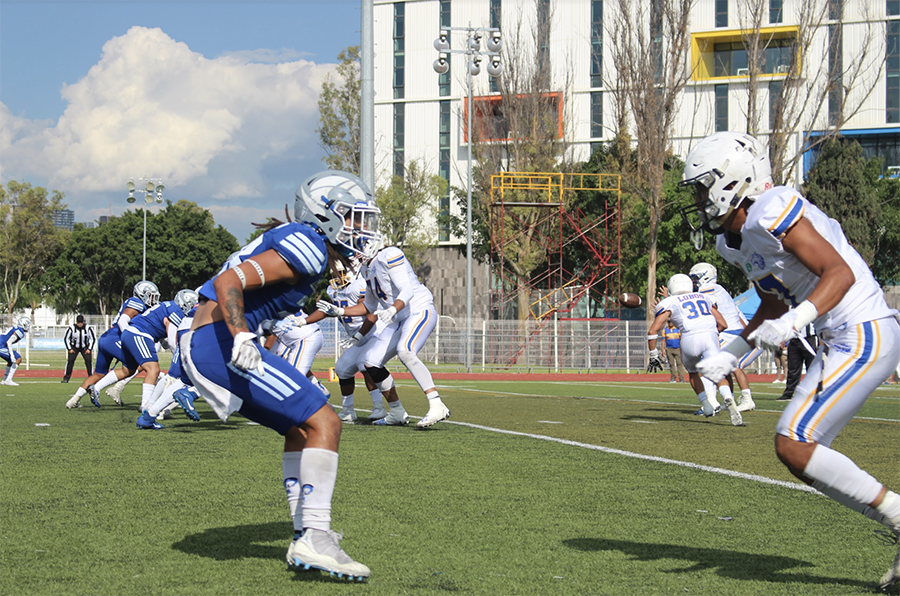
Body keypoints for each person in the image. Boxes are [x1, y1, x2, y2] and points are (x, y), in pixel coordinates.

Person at [682, 130, 900, 590]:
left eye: (703, 187)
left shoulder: (771, 209)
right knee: (792, 446)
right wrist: (732, 352)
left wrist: (798, 317)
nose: (699, 199)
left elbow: (837, 271)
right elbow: (773, 304)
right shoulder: (734, 240)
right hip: (837, 337)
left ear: (731, 181)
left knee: (794, 443)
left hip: (862, 329)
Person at [180, 170, 378, 580]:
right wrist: (240, 336)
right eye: (353, 217)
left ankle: (305, 532)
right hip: (218, 341)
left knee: (300, 429)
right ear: (325, 215)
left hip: (209, 340)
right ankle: (316, 536)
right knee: (326, 422)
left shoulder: (308, 248)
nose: (361, 229)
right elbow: (228, 280)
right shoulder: (307, 244)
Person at [317, 243, 450, 428]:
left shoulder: (389, 254)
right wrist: (340, 311)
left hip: (418, 309)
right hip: (398, 318)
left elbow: (407, 290)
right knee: (368, 360)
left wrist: (393, 308)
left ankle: (437, 404)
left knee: (405, 350)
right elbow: (368, 307)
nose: (353, 257)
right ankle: (396, 411)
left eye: (355, 251)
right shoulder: (366, 269)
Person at [646, 273, 741, 425]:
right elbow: (723, 324)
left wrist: (653, 355)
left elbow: (652, 331)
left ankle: (706, 405)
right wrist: (712, 332)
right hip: (710, 336)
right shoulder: (704, 298)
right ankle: (728, 397)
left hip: (689, 338)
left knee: (692, 373)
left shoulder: (669, 302)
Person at [66, 281, 159, 408]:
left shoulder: (142, 306)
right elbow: (122, 321)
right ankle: (99, 388)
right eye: (150, 296)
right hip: (115, 337)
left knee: (99, 374)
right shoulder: (137, 303)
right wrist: (129, 339)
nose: (153, 299)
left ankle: (73, 400)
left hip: (107, 338)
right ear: (141, 295)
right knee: (139, 365)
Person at [689, 262, 758, 412]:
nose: (693, 282)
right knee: (727, 368)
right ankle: (732, 400)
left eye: (695, 278)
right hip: (733, 332)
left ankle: (715, 403)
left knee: (707, 364)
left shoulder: (710, 289)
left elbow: (701, 304)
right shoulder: (717, 290)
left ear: (705, 277)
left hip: (729, 332)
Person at [776, 322, 816, 401]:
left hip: (809, 339)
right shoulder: (790, 309)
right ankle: (788, 393)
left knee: (812, 367)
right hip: (794, 340)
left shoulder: (810, 309)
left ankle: (813, 391)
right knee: (793, 368)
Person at [62, 314, 95, 383]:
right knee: (70, 361)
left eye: (81, 323)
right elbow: (66, 339)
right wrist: (69, 349)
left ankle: (91, 377)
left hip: (85, 347)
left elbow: (93, 339)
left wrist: (89, 349)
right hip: (74, 347)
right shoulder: (71, 328)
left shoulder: (88, 328)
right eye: (78, 323)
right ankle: (66, 378)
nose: (80, 324)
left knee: (88, 361)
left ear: (83, 322)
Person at [0, 317, 31, 386]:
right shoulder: (20, 331)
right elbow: (9, 342)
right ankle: (8, 380)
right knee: (18, 359)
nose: (28, 327)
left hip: (2, 345)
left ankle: (5, 380)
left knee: (11, 362)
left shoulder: (16, 328)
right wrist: (12, 355)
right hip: (1, 346)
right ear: (24, 324)